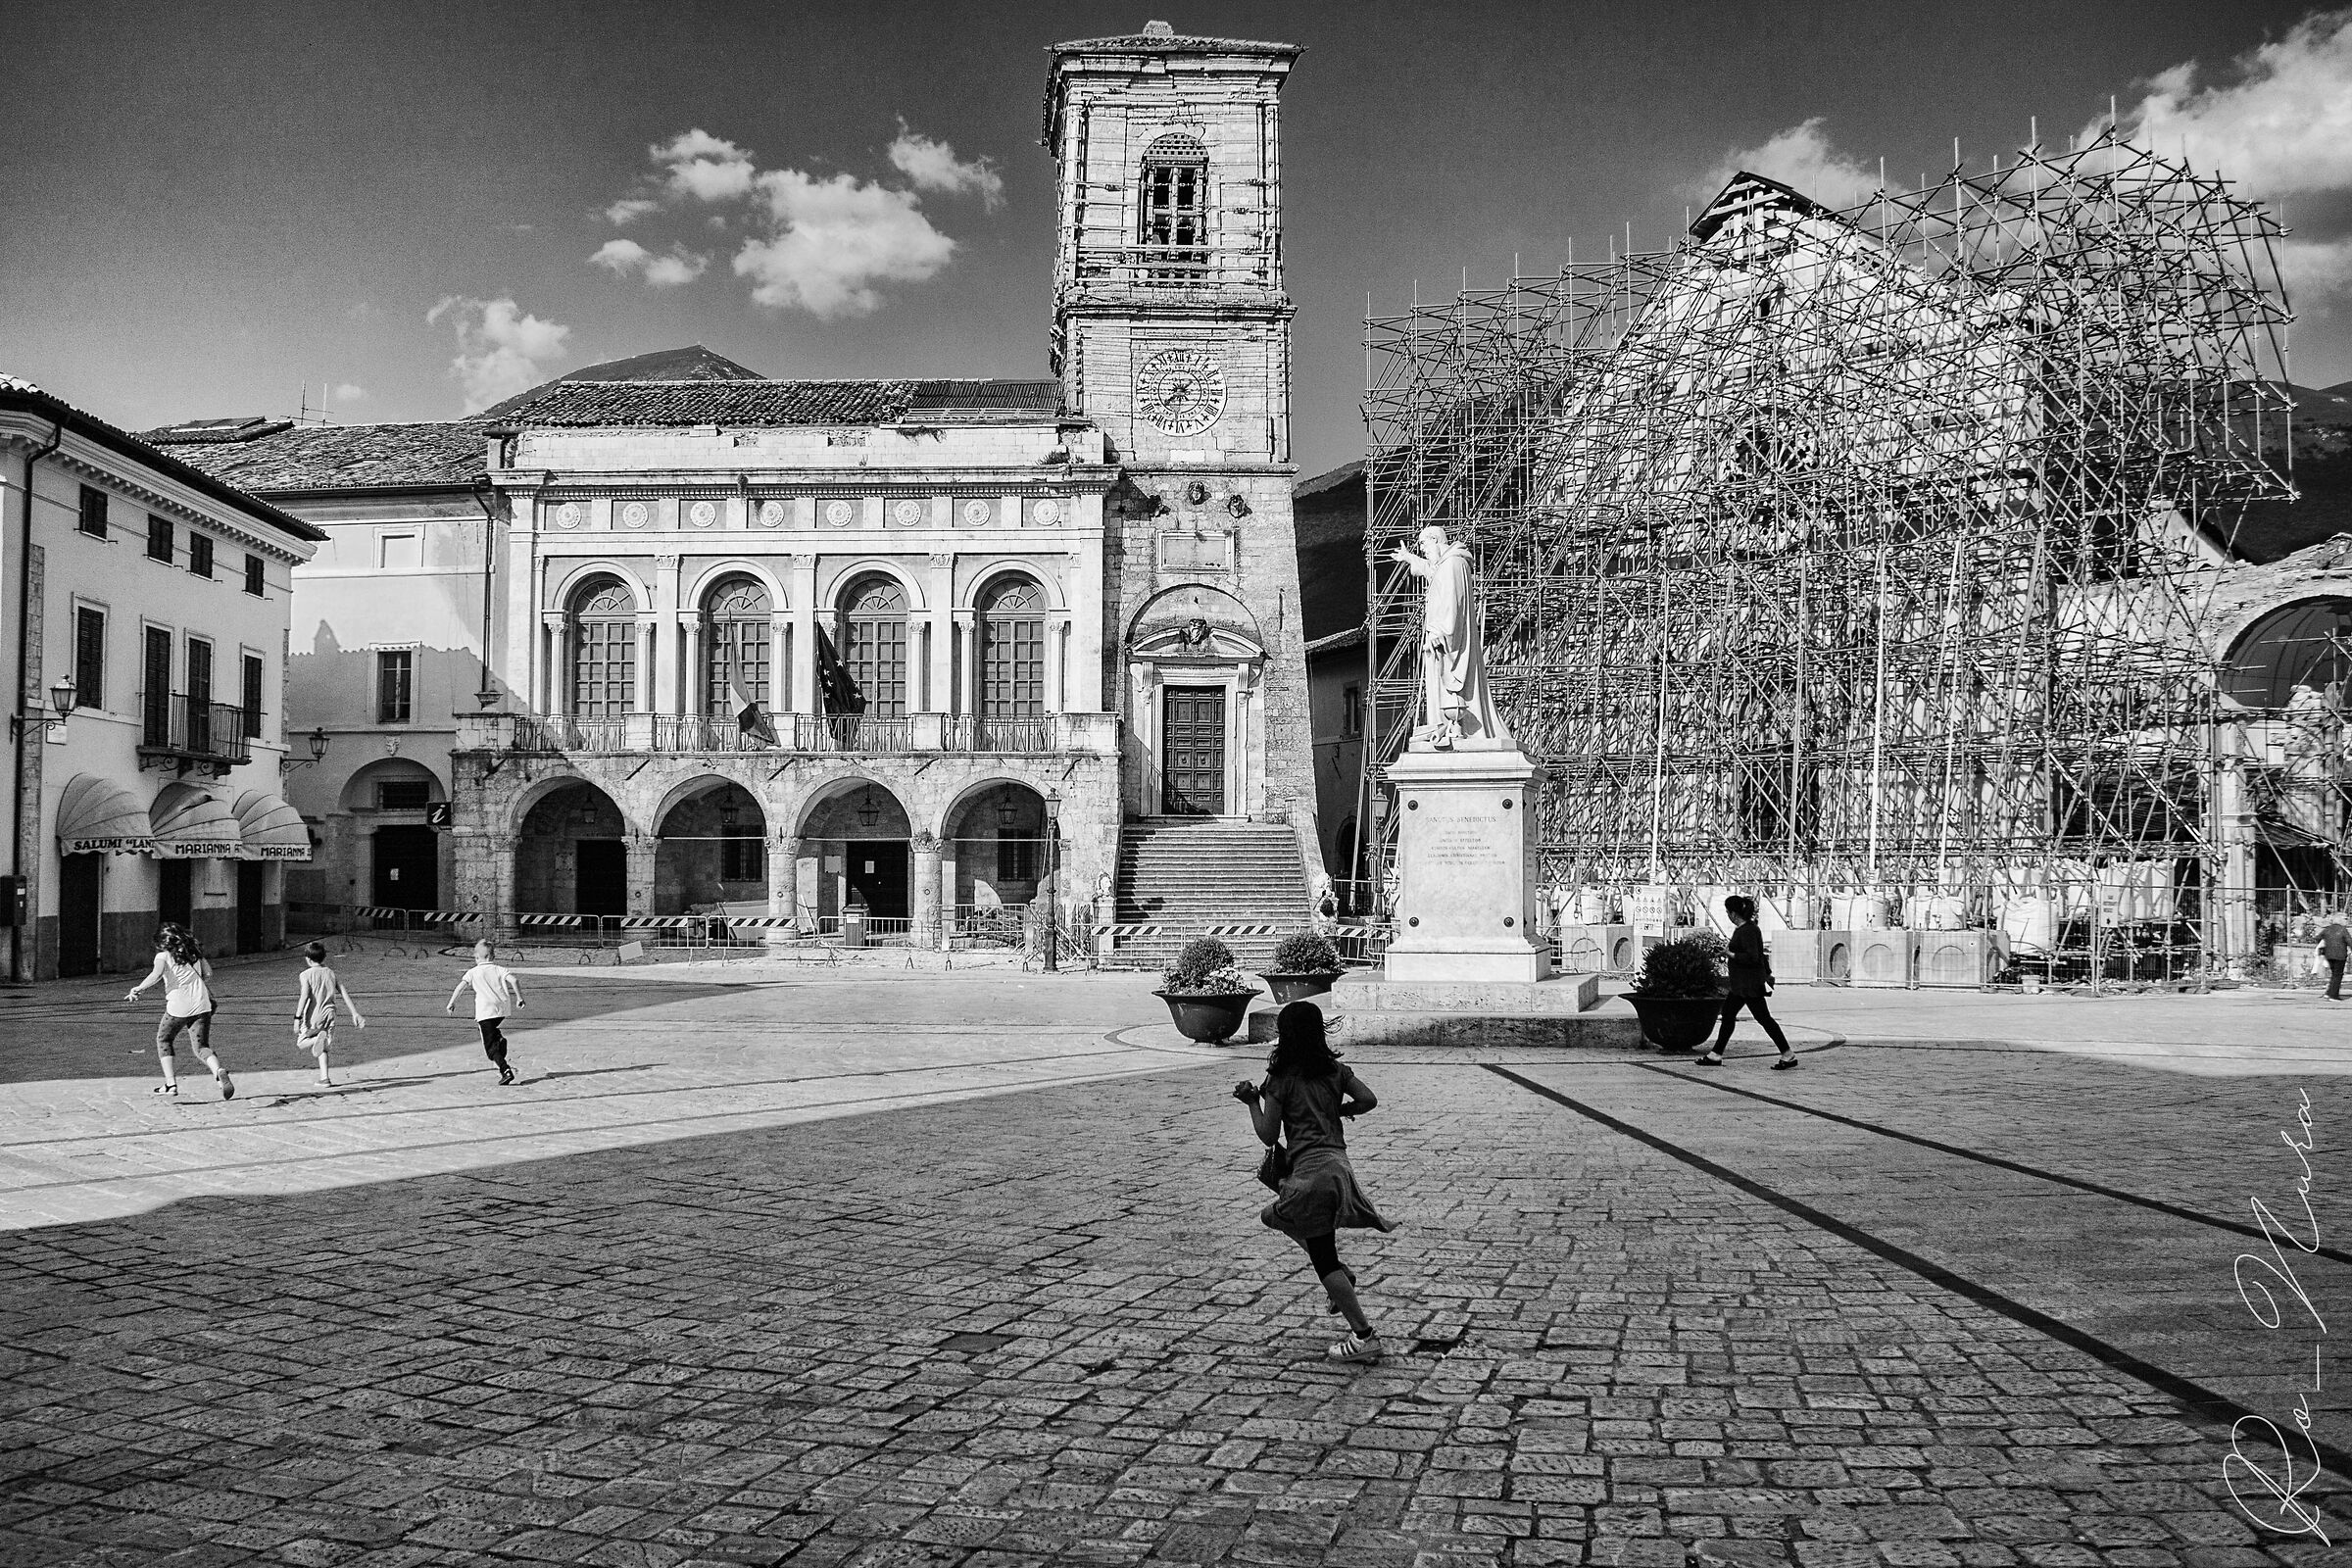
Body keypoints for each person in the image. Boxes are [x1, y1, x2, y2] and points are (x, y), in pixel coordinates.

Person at [1234, 1001, 1397, 1363]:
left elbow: (1267, 1134)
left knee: (1324, 1259)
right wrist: (1339, 1109)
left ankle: (1364, 1335)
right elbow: (1368, 1099)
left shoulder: (1280, 1080)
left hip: (1309, 1176)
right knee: (1273, 1216)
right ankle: (1343, 1277)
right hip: (1338, 1168)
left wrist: (1250, 1102)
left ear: (1284, 1036)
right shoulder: (1335, 1071)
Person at [125, 923, 234, 1100]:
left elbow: (155, 975)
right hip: (201, 1005)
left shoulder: (163, 956)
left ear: (163, 942)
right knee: (202, 1047)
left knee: (164, 1039)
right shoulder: (194, 954)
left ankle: (171, 1084)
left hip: (178, 1007)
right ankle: (218, 1071)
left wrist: (138, 988)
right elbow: (208, 974)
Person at [1698, 894, 1797, 1069]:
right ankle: (1716, 1054)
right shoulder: (1748, 929)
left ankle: (1788, 1054)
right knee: (1729, 1014)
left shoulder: (1748, 931)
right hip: (1742, 985)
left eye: (1728, 912)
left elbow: (1752, 957)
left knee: (1763, 1018)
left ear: (1734, 913)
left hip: (1749, 985)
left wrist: (1731, 954)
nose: (1728, 915)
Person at [446, 939, 524, 1084]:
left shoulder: (473, 972)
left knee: (490, 1050)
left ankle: (505, 1070)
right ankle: (499, 1039)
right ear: (492, 956)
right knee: (493, 1030)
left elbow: (460, 987)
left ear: (477, 958)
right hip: (501, 1010)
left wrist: (452, 1003)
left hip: (485, 1012)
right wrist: (519, 998)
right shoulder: (499, 969)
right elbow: (514, 981)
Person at [294, 942, 366, 1086]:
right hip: (330, 1014)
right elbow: (343, 992)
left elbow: (304, 996)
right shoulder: (330, 973)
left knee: (302, 1043)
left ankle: (316, 1040)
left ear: (308, 959)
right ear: (324, 958)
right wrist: (355, 1013)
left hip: (313, 1017)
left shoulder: (305, 975)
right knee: (323, 1046)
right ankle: (324, 1078)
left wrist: (297, 1018)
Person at [2319, 913, 2350, 1001]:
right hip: (2340, 955)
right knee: (2338, 975)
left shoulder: (2327, 929)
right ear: (2339, 920)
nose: (2347, 920)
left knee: (2334, 974)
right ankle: (2333, 995)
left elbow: (2317, 937)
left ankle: (2329, 993)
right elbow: (2349, 941)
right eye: (2345, 919)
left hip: (2328, 955)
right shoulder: (2343, 930)